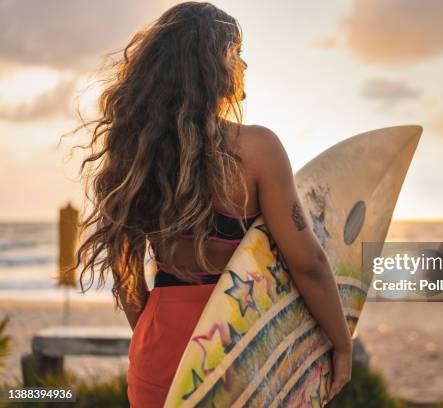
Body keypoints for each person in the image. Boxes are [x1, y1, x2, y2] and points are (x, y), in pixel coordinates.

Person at [69, 2, 352, 406]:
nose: (244, 66)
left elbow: (126, 272)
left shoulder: (136, 153)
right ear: (214, 66)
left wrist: (158, 338)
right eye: (236, 54)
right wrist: (342, 342)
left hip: (160, 350)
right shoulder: (257, 149)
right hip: (240, 346)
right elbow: (308, 263)